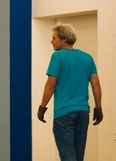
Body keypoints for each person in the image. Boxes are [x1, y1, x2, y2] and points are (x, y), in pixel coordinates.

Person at [37, 22, 103, 161]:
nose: (51, 41)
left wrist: (42, 107)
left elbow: (51, 84)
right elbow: (96, 84)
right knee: (78, 156)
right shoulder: (87, 57)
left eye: (54, 38)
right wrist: (98, 108)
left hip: (63, 113)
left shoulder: (57, 57)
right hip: (83, 112)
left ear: (64, 39)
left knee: (67, 156)